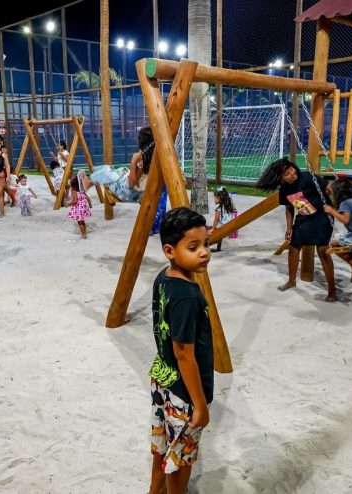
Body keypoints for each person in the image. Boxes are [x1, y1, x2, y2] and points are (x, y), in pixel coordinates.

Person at [148, 207, 213, 494]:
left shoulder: (164, 277)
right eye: (193, 247)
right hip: (183, 393)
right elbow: (184, 352)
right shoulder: (187, 295)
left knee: (163, 445)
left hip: (162, 376)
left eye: (206, 244)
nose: (204, 253)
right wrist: (199, 405)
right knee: (181, 458)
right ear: (169, 250)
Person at [256, 157, 337, 302]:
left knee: (322, 250)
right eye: (287, 173)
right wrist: (289, 228)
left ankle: (332, 291)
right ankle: (291, 281)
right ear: (281, 179)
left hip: (322, 215)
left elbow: (329, 188)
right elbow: (289, 208)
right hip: (303, 218)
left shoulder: (307, 178)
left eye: (291, 169)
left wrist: (340, 193)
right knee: (293, 247)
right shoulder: (284, 190)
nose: (292, 173)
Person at [83, 127, 155, 202]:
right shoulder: (152, 159)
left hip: (127, 194)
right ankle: (93, 179)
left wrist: (133, 161)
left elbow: (131, 184)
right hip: (139, 194)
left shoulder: (144, 162)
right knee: (120, 170)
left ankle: (88, 183)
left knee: (106, 171)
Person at [207, 186, 237, 252]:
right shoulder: (228, 206)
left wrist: (213, 228)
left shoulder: (219, 208)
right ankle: (218, 248)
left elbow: (216, 219)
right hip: (229, 225)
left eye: (214, 198)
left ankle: (205, 244)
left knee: (208, 230)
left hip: (222, 226)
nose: (214, 199)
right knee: (217, 232)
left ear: (218, 198)